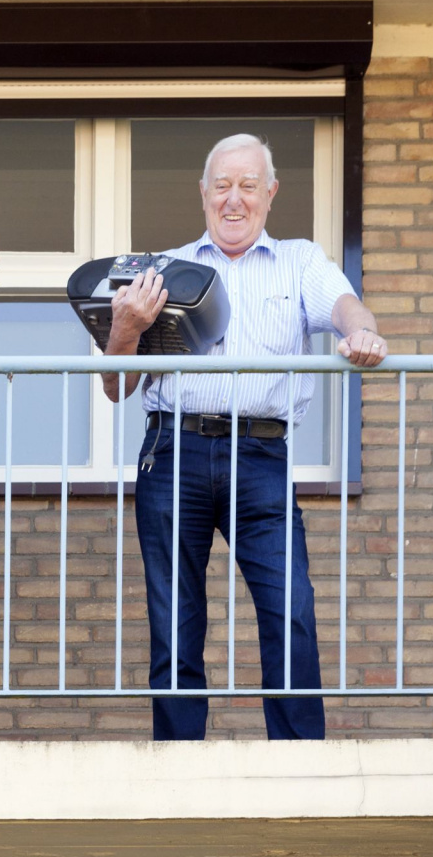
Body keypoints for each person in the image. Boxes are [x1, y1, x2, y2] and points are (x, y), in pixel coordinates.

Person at [100, 133, 388, 741]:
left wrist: (363, 333)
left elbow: (346, 308)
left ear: (270, 194)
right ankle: (179, 762)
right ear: (203, 194)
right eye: (223, 186)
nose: (235, 200)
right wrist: (123, 329)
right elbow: (115, 386)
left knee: (291, 608)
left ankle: (299, 759)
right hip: (174, 450)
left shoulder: (300, 261)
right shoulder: (165, 271)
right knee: (174, 618)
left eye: (248, 186)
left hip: (261, 454)